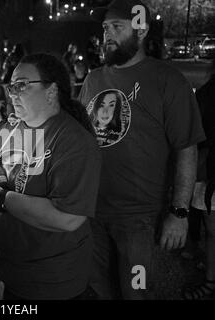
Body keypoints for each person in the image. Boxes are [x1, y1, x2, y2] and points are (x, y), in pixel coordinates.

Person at [78, 0, 205, 299]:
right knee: (98, 290)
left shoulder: (168, 80)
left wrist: (179, 212)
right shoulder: (94, 79)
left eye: (117, 27)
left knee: (136, 293)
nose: (107, 34)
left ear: (141, 29)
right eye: (105, 28)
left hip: (140, 221)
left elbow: (187, 148)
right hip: (90, 213)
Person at [0, 53, 101, 299]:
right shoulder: (12, 127)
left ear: (51, 91)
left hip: (46, 283)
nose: (12, 93)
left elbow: (68, 218)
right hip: (1, 269)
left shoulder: (73, 141)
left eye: (22, 85)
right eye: (11, 86)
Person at [182, 58, 215, 300]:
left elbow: (196, 133)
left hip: (210, 169)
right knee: (212, 229)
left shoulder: (207, 93)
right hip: (210, 170)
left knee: (212, 229)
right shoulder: (207, 93)